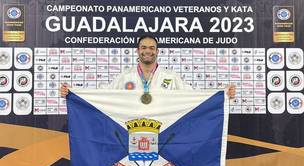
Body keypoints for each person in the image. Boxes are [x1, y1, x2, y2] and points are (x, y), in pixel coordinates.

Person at [61, 35, 235, 98]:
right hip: (131, 129)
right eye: (144, 47)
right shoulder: (126, 76)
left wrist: (222, 94)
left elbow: (193, 95)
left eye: (152, 48)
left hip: (164, 129)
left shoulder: (170, 76)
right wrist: (74, 92)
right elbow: (103, 93)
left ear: (157, 51)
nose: (148, 51)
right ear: (137, 51)